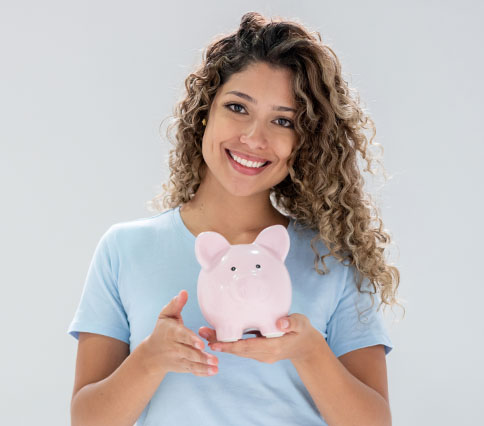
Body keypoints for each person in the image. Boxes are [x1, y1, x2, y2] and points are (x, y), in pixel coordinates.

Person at [68, 11, 403, 426]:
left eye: (283, 120)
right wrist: (150, 360)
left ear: (305, 142)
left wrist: (309, 351)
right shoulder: (124, 250)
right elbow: (86, 420)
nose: (254, 138)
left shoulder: (332, 258)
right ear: (204, 111)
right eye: (237, 107)